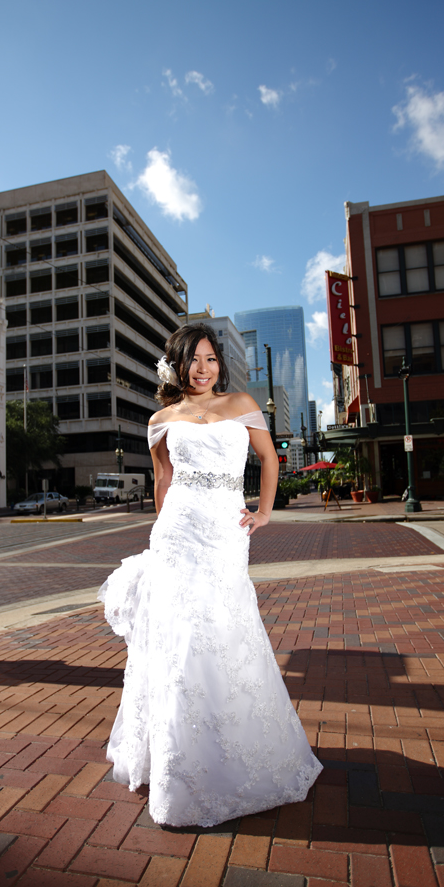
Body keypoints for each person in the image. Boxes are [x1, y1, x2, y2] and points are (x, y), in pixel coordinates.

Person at [98, 324, 322, 828]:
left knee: (226, 628)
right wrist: (160, 539)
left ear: (220, 364)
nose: (203, 368)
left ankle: (237, 744)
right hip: (177, 534)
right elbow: (163, 479)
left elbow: (269, 457)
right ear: (177, 365)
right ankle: (178, 758)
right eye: (193, 360)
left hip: (224, 532)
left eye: (211, 359)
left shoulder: (242, 403)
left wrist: (264, 512)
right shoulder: (160, 420)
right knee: (180, 638)